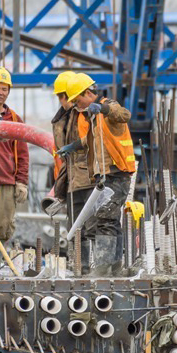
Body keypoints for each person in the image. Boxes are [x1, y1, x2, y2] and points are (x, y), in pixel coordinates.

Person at [58, 73, 136, 276]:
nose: (76, 105)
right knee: (112, 220)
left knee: (104, 218)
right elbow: (90, 140)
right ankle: (115, 267)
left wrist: (102, 108)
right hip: (108, 174)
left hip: (116, 172)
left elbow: (125, 115)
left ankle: (101, 269)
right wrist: (72, 146)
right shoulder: (93, 116)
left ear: (87, 93)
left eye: (77, 100)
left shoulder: (107, 105)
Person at [0, 65, 29, 273]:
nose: (0, 93)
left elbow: (22, 152)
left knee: (2, 226)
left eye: (4, 89)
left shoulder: (15, 120)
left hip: (6, 181)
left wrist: (21, 181)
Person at [50, 71, 94, 270]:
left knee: (90, 224)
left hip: (88, 176)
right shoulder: (60, 120)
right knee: (74, 225)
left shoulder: (84, 114)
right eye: (60, 96)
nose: (63, 101)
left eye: (65, 96)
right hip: (71, 179)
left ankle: (87, 265)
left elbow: (91, 142)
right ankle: (78, 265)